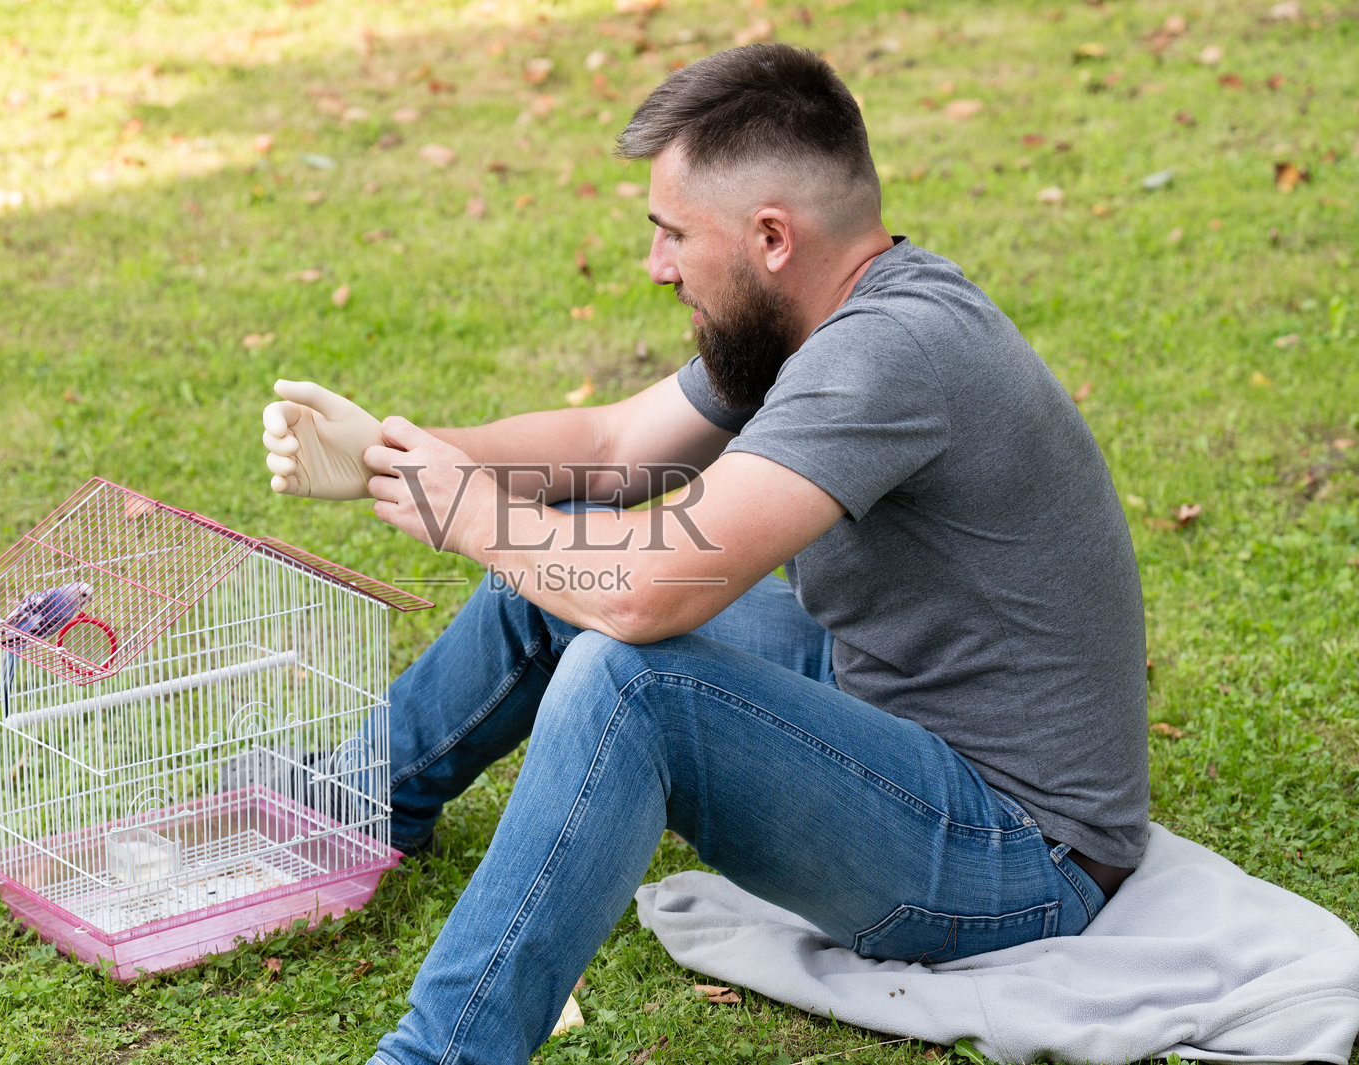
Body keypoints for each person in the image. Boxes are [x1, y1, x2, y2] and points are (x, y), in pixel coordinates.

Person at [261, 43, 1149, 1065]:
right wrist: (395, 453)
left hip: (1021, 854)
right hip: (890, 698)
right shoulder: (813, 317)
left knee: (629, 674)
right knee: (566, 563)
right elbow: (611, 452)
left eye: (674, 233)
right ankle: (355, 806)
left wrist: (471, 514)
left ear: (771, 237)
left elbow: (644, 596)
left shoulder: (884, 354)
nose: (656, 265)